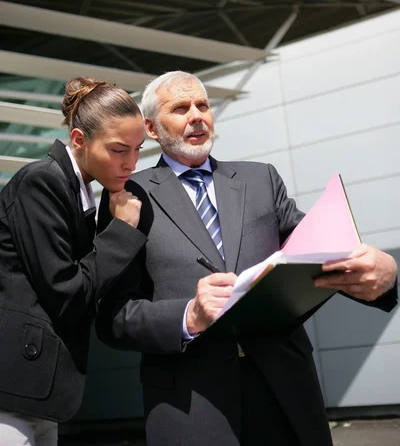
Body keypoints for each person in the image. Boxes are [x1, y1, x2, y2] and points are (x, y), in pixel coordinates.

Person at [96, 71, 397, 446]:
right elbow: (113, 316)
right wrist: (188, 316)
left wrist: (384, 274)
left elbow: (323, 251)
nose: (197, 116)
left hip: (285, 391)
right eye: (181, 108)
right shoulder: (127, 196)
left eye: (203, 105)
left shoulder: (261, 180)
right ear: (152, 129)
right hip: (192, 403)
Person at [0, 77, 148, 446]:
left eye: (137, 149)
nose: (130, 162)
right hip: (11, 387)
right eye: (118, 150)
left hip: (36, 389)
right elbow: (66, 291)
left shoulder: (75, 191)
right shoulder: (42, 182)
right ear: (79, 140)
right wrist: (123, 231)